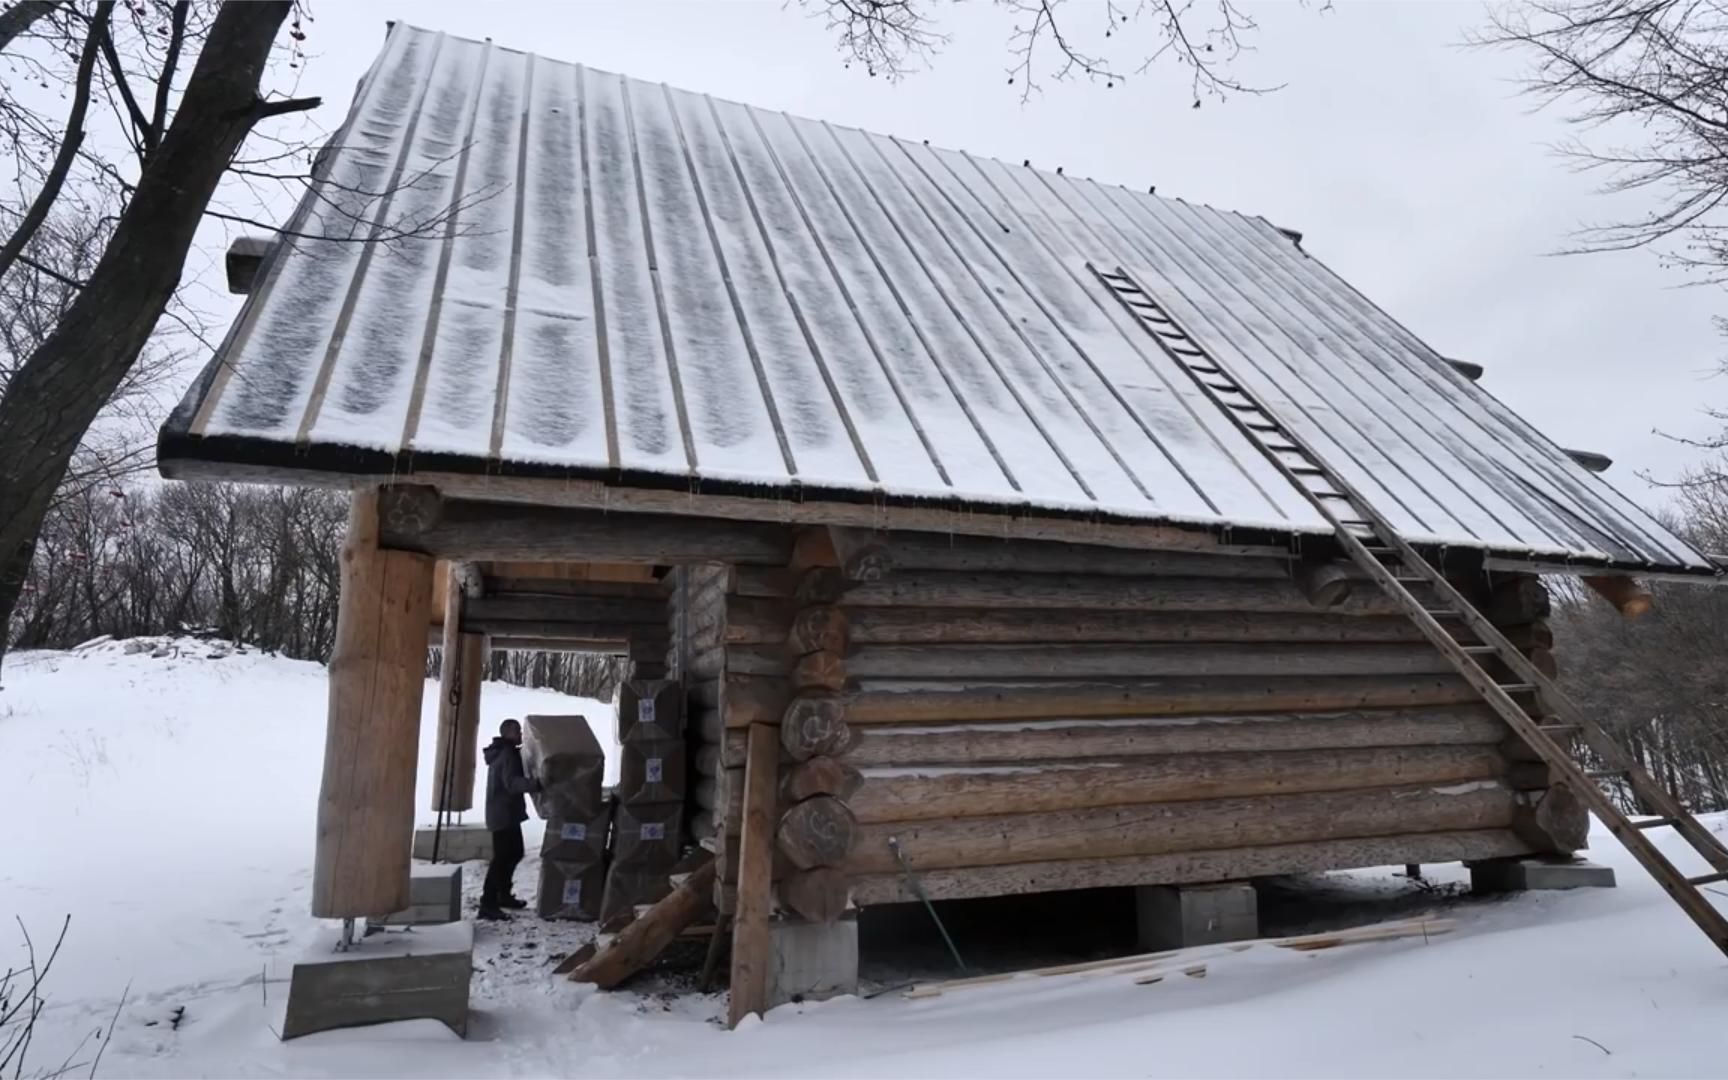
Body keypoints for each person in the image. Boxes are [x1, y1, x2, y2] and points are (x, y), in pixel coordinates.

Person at [480, 718, 540, 920]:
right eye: (517, 732)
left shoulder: (506, 752)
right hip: (503, 814)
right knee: (502, 859)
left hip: (506, 813)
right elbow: (511, 783)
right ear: (507, 734)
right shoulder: (506, 754)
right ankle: (488, 903)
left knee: (514, 853)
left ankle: (503, 895)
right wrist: (535, 784)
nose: (520, 736)